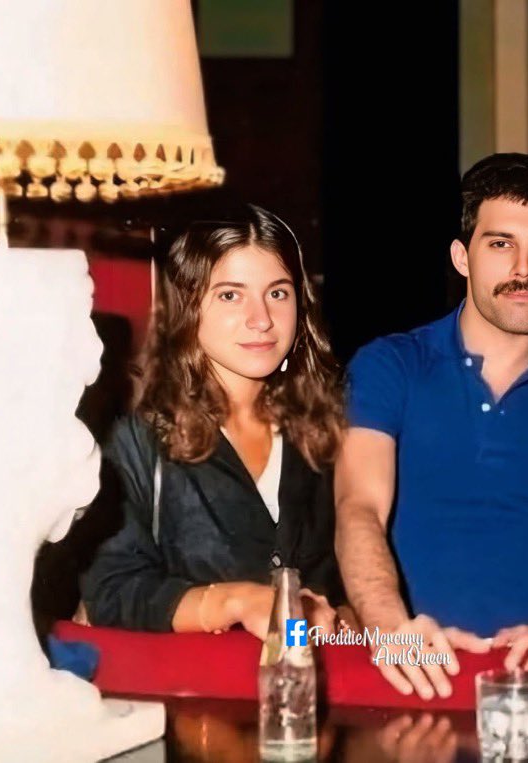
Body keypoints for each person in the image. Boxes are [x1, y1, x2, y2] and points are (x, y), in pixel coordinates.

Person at [338, 153, 528, 700]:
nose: (524, 268)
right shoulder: (392, 367)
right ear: (462, 256)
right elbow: (358, 506)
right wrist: (389, 631)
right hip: (406, 672)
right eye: (501, 243)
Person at [81, 205, 344, 639]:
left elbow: (345, 585)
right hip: (187, 696)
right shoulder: (133, 438)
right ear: (187, 305)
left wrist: (346, 618)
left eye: (278, 293)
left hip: (296, 688)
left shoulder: (325, 429)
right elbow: (111, 592)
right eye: (230, 295)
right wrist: (236, 601)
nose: (261, 319)